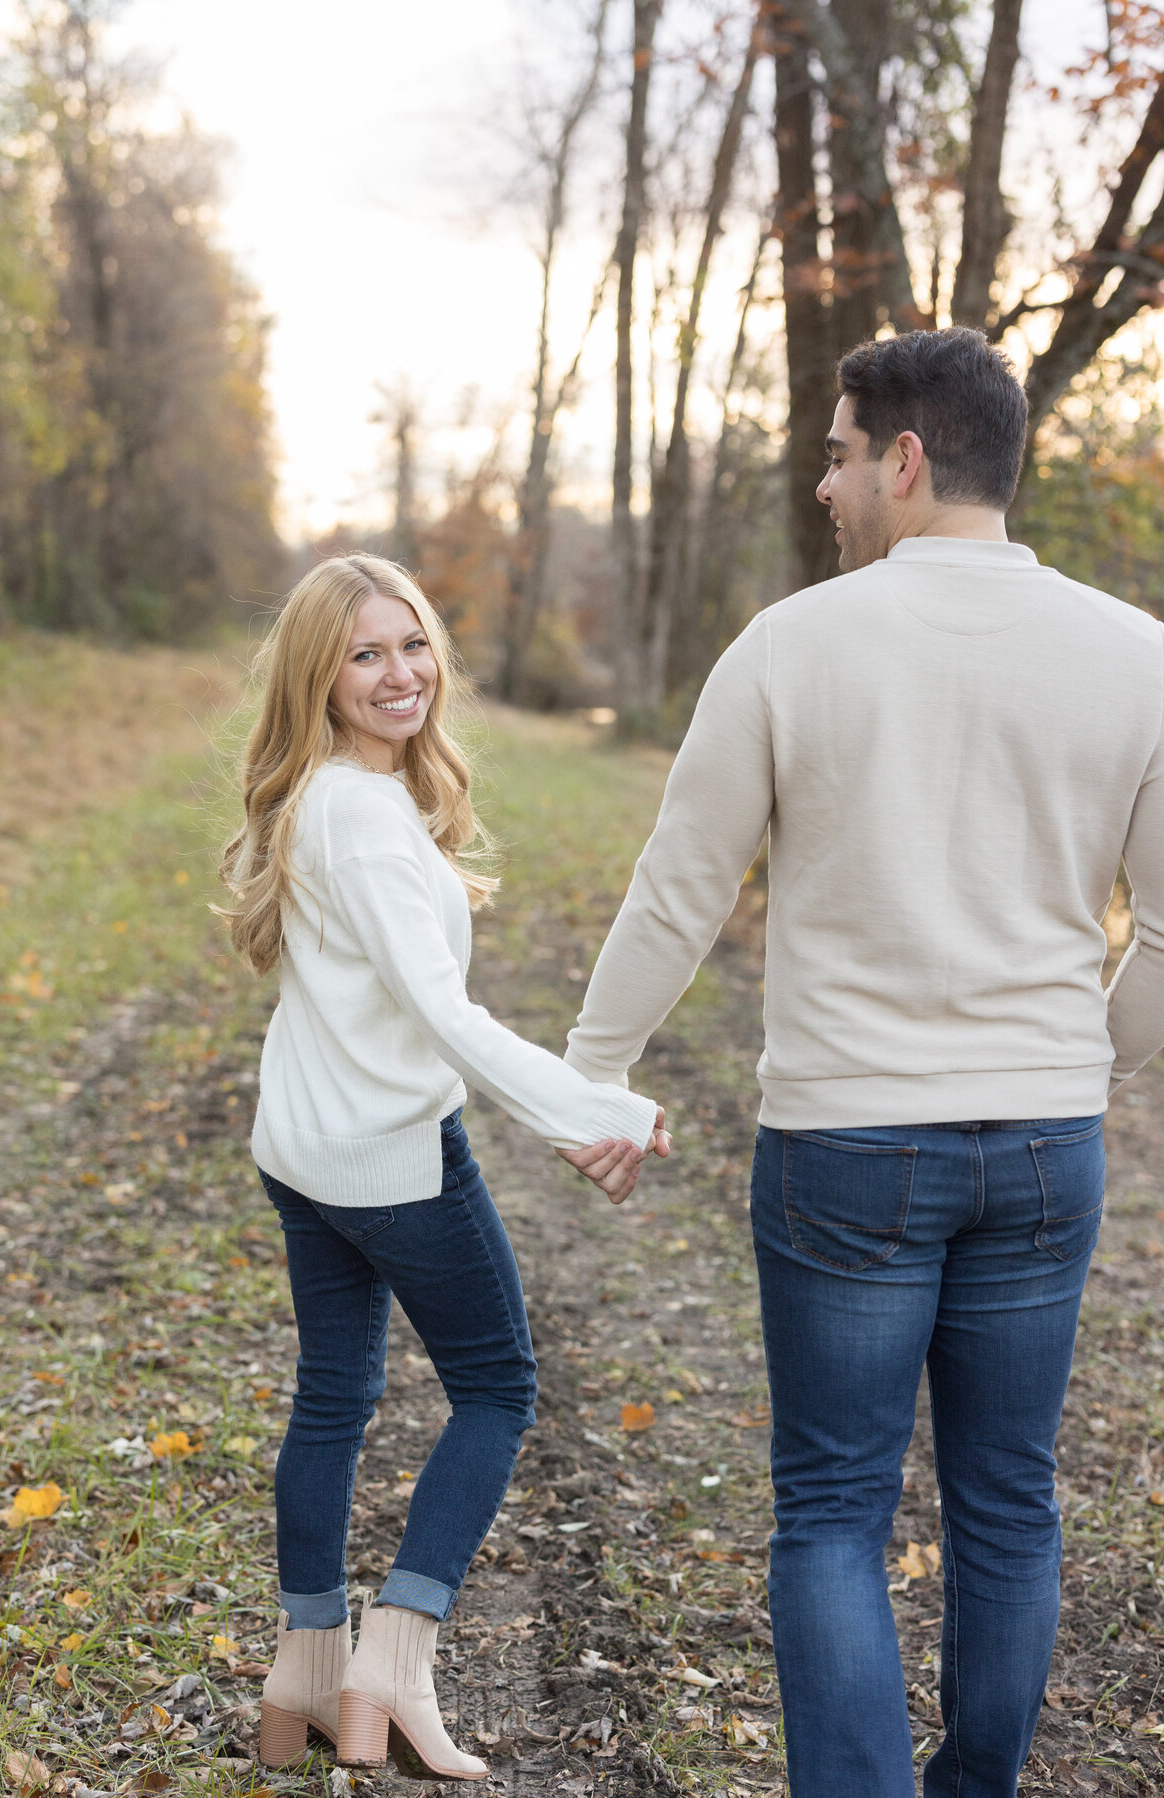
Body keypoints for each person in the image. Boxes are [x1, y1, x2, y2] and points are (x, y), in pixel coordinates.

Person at [561, 329, 1164, 1797]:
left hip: (846, 1147)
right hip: (1041, 1144)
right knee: (1009, 1502)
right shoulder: (1142, 657)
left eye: (837, 454)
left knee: (832, 1508)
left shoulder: (790, 644)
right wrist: (1097, 1057)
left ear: (904, 460)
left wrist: (592, 1076)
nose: (826, 488)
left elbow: (678, 886)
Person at [217, 553, 667, 1777]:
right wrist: (589, 1110)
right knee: (498, 1387)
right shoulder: (359, 818)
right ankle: (393, 1660)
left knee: (334, 1395)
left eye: (411, 643)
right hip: (388, 1161)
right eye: (365, 654)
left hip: (302, 1147)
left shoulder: (324, 791)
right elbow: (443, 1016)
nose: (400, 672)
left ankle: (304, 1671)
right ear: (321, 673)